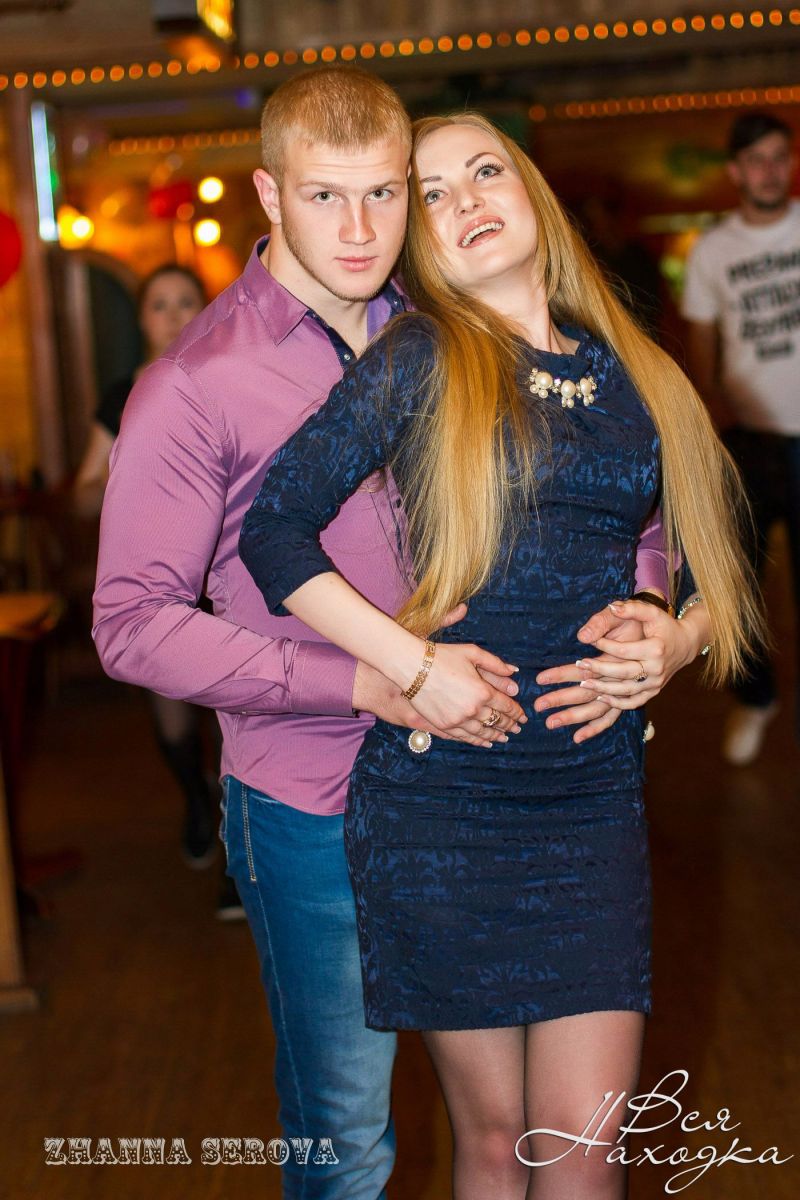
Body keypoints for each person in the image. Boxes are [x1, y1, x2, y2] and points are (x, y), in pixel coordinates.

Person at [95, 67, 674, 1200]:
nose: (361, 230)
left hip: (508, 773)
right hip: (310, 796)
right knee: (350, 1147)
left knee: (529, 1136)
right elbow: (131, 627)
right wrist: (365, 678)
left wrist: (647, 615)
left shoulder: (460, 317)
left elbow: (618, 494)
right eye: (325, 197)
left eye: (385, 193)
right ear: (271, 195)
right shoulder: (195, 384)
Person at [239, 111, 762, 1200]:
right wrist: (410, 665)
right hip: (443, 802)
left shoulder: (635, 370)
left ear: (532, 194)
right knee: (492, 1143)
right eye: (430, 193)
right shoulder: (421, 359)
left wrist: (675, 638)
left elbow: (723, 547)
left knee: (583, 1151)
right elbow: (273, 529)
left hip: (589, 798)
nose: (464, 200)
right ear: (419, 241)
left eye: (484, 171)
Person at [76, 265, 226, 877]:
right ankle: (197, 800)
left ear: (205, 309)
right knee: (171, 708)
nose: (172, 315)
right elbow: (82, 494)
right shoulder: (122, 397)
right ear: (141, 317)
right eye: (158, 304)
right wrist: (127, 467)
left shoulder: (226, 378)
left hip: (228, 571)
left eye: (185, 301)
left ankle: (237, 848)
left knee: (237, 709)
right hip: (160, 577)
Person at [682, 111, 800, 766]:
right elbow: (702, 341)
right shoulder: (713, 250)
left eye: (779, 157)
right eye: (756, 160)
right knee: (739, 584)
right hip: (750, 440)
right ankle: (756, 700)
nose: (769, 171)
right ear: (735, 172)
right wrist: (717, 417)